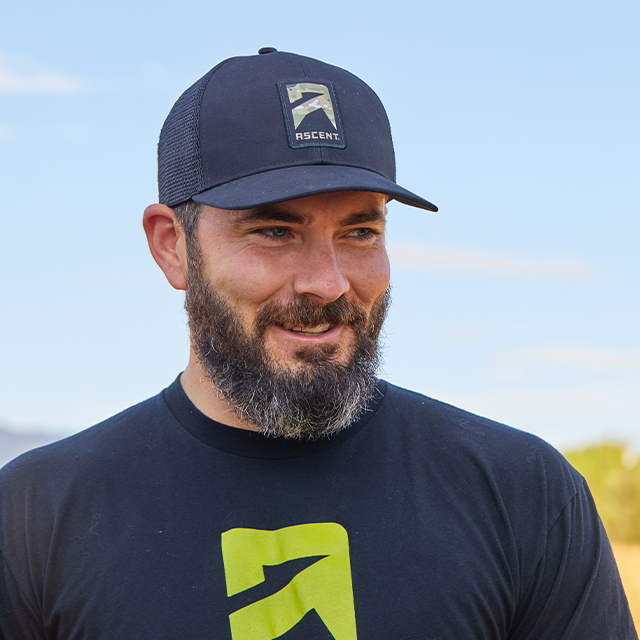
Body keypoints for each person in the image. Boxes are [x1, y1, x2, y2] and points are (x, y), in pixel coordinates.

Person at [0, 48, 636, 640]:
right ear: (173, 245)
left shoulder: (524, 492)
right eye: (275, 231)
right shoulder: (33, 517)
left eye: (360, 230)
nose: (328, 283)